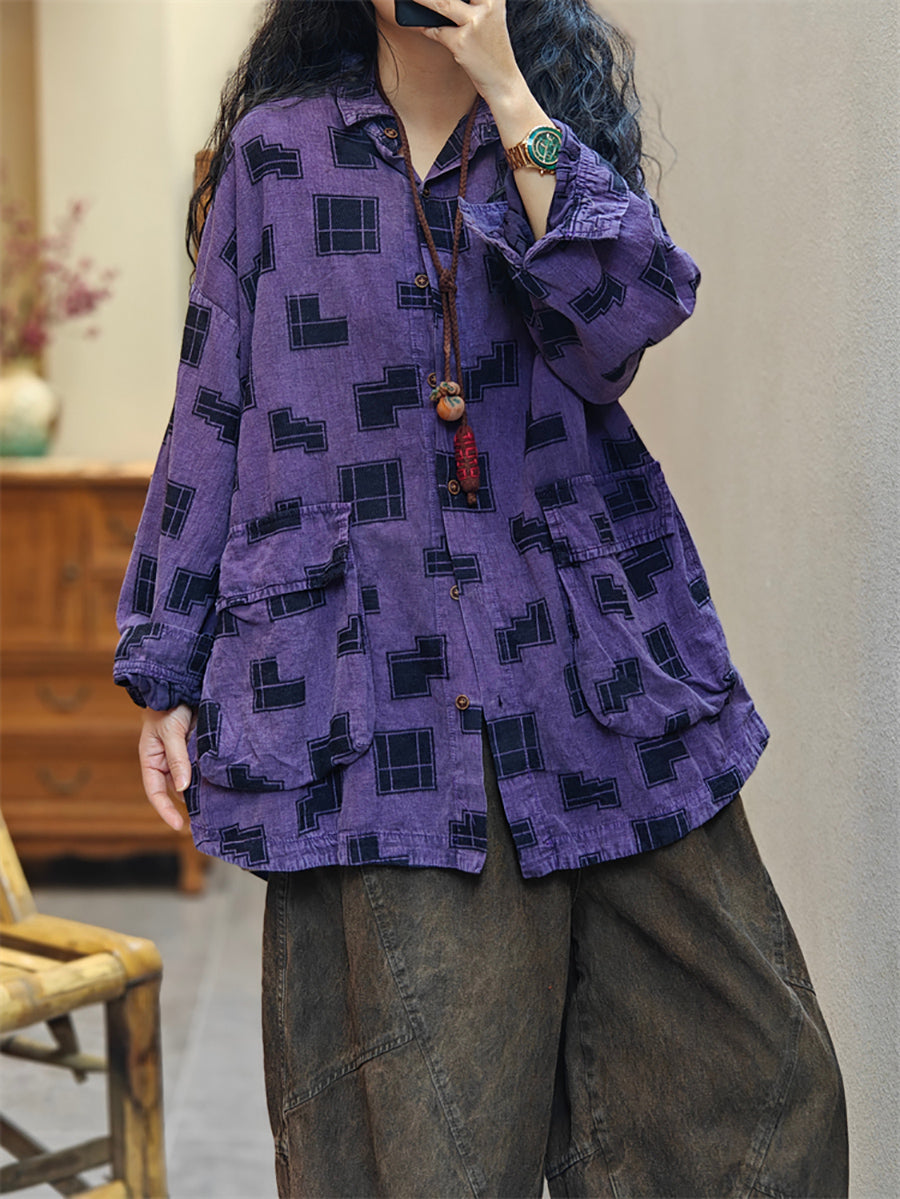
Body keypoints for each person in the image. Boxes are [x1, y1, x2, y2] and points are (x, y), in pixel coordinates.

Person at [113, 0, 849, 1194]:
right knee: (432, 1133)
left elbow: (623, 323)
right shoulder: (275, 155)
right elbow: (213, 403)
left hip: (586, 666)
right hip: (376, 691)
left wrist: (510, 92)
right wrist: (165, 665)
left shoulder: (543, 139)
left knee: (760, 1081)